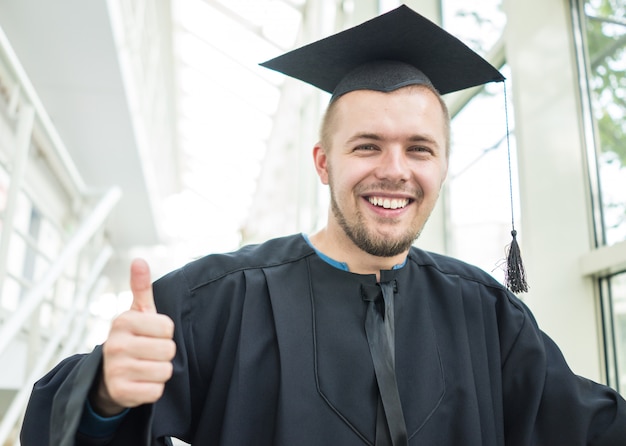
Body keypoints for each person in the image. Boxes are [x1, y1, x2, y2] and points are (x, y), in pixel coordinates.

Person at [20, 5, 626, 446]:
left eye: (419, 149)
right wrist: (103, 396)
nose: (395, 171)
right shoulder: (221, 298)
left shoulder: (487, 313)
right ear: (322, 162)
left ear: (442, 164)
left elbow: (587, 424)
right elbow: (60, 422)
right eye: (367, 146)